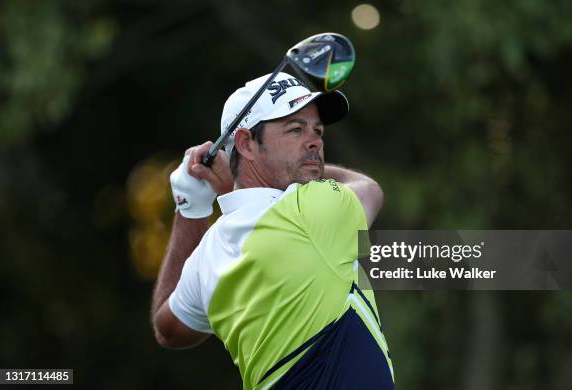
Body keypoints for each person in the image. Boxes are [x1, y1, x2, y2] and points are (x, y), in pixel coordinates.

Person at [151, 72, 394, 389]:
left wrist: (190, 209)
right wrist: (311, 168)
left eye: (317, 131)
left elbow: (167, 329)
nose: (316, 141)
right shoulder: (312, 209)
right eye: (296, 129)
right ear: (246, 143)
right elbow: (368, 189)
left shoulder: (205, 257)